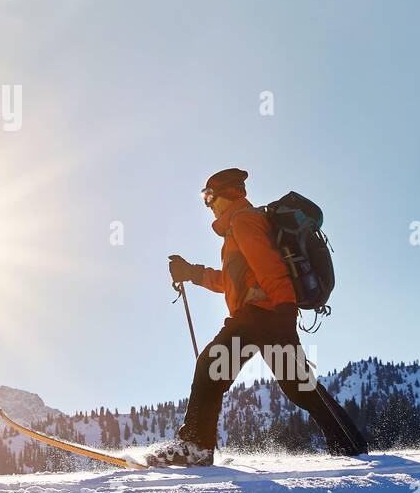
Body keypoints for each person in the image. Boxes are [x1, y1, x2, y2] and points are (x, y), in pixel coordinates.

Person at [148, 167, 369, 466]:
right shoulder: (237, 228)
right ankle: (351, 445)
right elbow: (232, 281)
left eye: (209, 196)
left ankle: (196, 447)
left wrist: (285, 315)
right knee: (299, 387)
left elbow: (272, 269)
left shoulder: (244, 221)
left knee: (211, 367)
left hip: (262, 316)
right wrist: (193, 273)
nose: (208, 204)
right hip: (264, 317)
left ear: (228, 193)